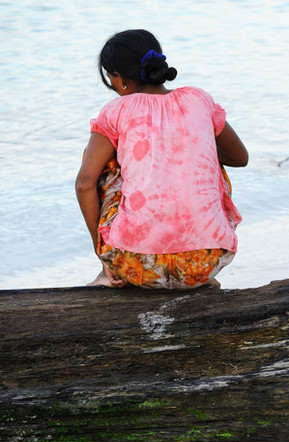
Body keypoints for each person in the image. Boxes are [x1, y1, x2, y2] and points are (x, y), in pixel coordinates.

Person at [75, 29, 248, 288]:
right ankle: (192, 277)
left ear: (118, 78)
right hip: (206, 260)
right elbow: (240, 157)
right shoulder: (198, 99)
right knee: (205, 157)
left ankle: (107, 270)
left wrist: (103, 254)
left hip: (134, 264)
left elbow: (84, 183)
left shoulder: (115, 111)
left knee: (100, 163)